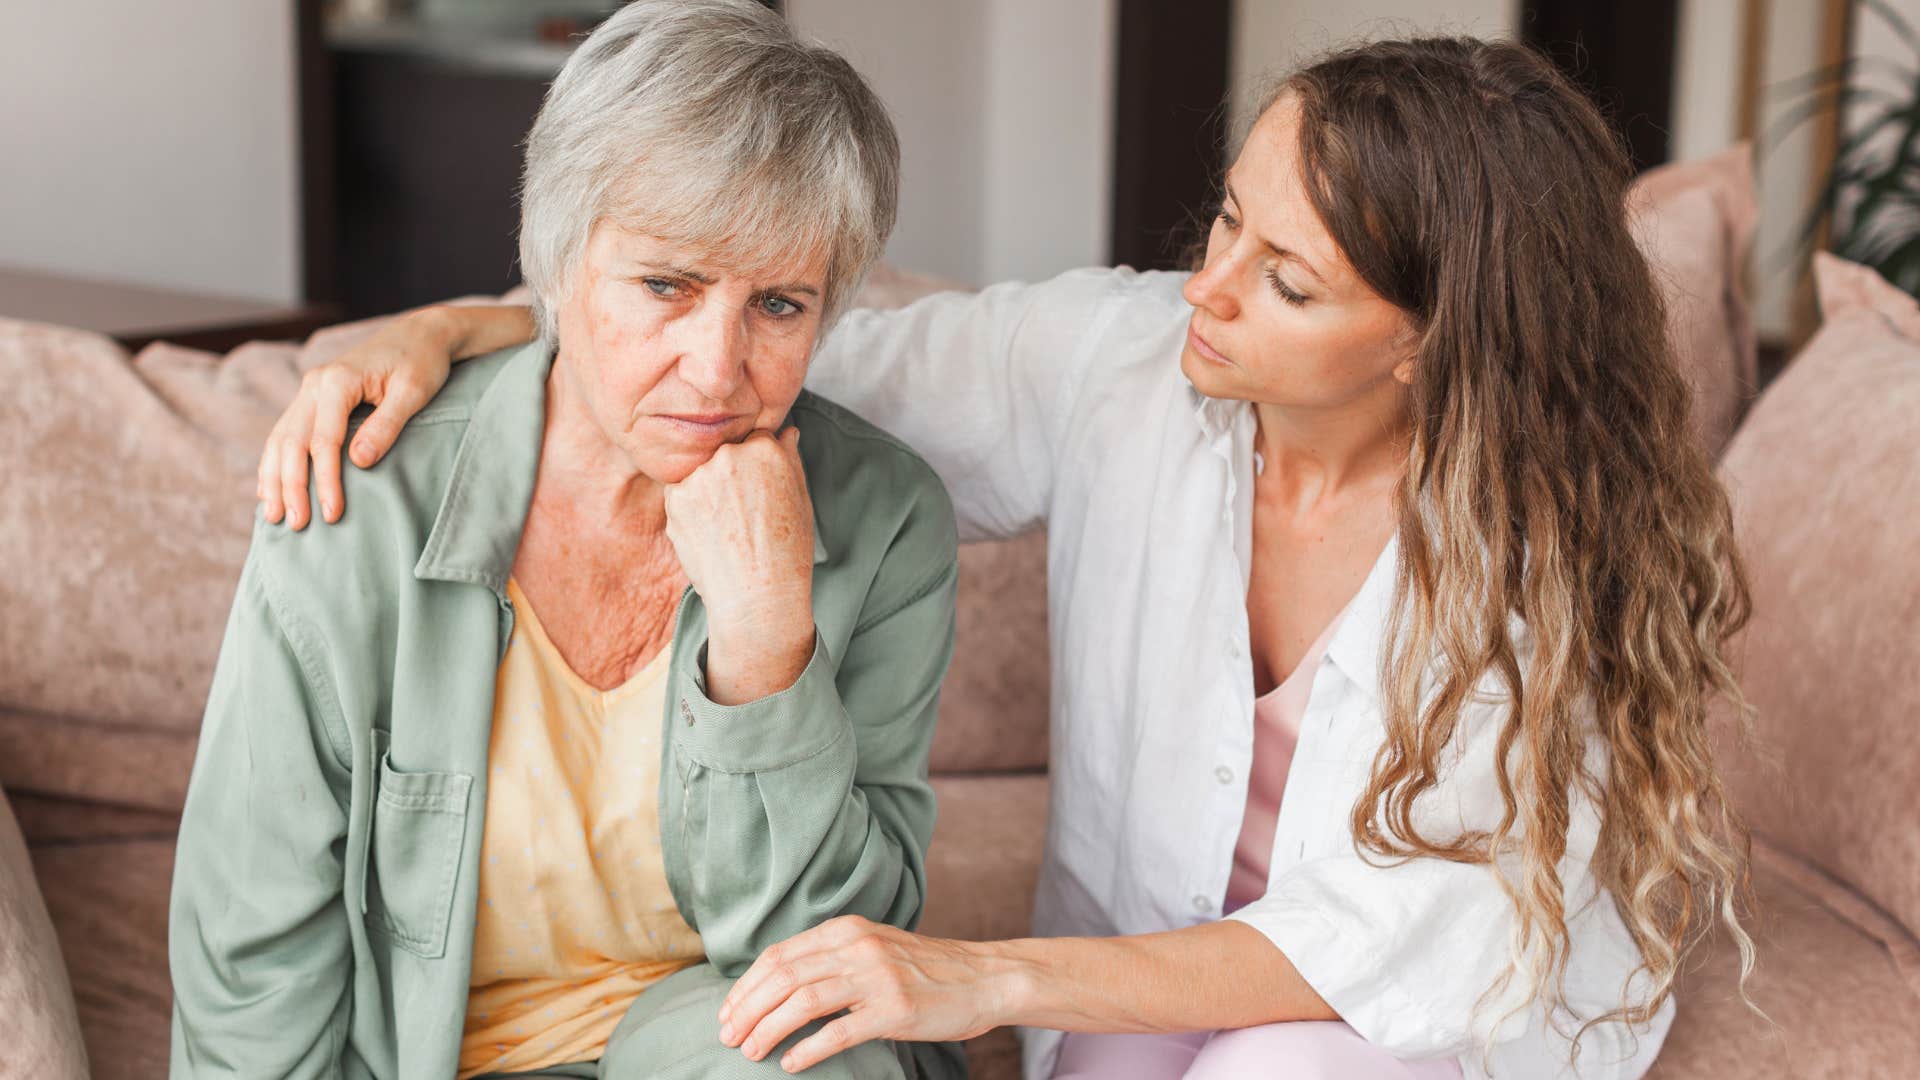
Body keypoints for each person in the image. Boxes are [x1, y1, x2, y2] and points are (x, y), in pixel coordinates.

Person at [257, 36, 1756, 1080]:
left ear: (1434, 344)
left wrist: (987, 974)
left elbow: (1402, 943)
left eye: (1286, 280)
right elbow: (763, 355)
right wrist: (470, 324)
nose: (1209, 291)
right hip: (1137, 977)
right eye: (1228, 219)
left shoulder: (1551, 559)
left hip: (1418, 1016)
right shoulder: (1128, 364)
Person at [169, 2, 965, 1078]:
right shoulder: (358, 495)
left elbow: (833, 964)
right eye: (666, 286)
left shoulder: (888, 521)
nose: (716, 369)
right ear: (555, 262)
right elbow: (252, 942)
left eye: (778, 305)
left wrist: (767, 643)